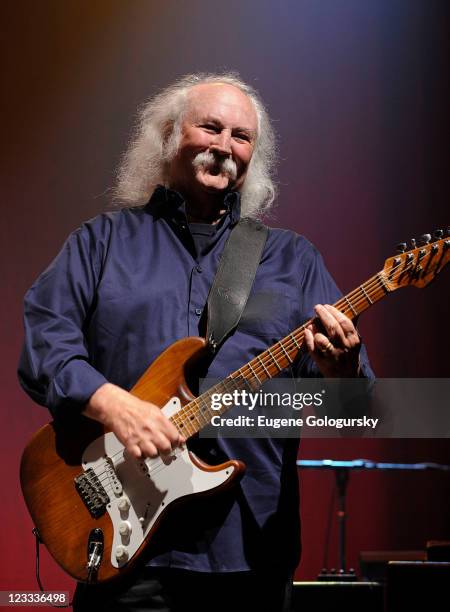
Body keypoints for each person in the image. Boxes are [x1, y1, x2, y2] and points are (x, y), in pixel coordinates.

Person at [18, 72, 373, 611]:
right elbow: (45, 343)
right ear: (168, 136)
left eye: (241, 136)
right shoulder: (101, 242)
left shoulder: (293, 260)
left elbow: (355, 412)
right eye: (210, 127)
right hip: (122, 545)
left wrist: (340, 370)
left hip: (250, 551)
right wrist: (115, 405)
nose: (226, 146)